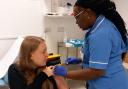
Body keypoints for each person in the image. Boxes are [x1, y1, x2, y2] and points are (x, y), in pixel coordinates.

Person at [54, 0, 128, 89]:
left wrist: (66, 73)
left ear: (88, 12)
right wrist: (81, 60)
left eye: (77, 17)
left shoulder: (101, 34)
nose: (76, 22)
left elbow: (96, 72)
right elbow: (105, 56)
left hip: (110, 84)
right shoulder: (101, 26)